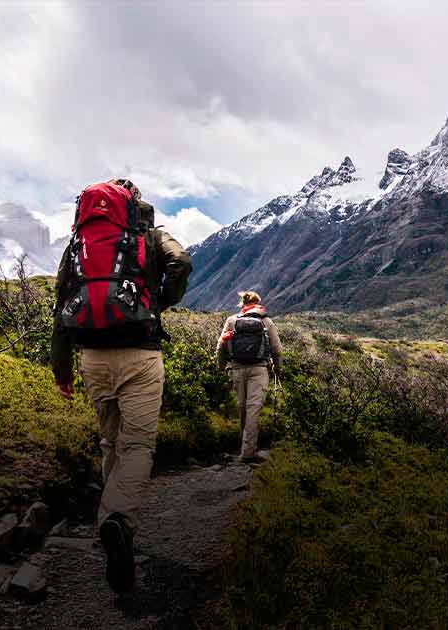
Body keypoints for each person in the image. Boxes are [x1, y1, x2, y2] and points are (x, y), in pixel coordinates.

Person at [51, 178, 192, 594]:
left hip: (92, 357)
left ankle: (111, 521)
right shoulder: (148, 234)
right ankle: (118, 520)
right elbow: (181, 262)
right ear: (134, 203)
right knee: (137, 446)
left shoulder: (80, 242)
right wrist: (161, 301)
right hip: (140, 353)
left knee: (110, 442)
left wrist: (62, 370)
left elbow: (61, 303)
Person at [216, 291, 282, 463]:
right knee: (253, 410)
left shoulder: (232, 320)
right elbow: (277, 350)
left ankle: (245, 447)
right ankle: (248, 452)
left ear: (242, 304)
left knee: (243, 408)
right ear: (258, 303)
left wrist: (221, 367)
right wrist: (277, 370)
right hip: (259, 370)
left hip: (236, 369)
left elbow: (221, 346)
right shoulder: (266, 321)